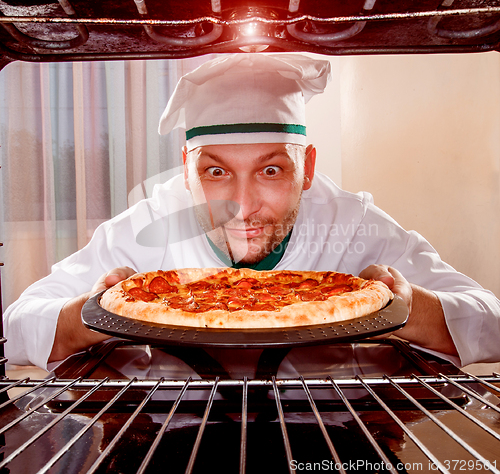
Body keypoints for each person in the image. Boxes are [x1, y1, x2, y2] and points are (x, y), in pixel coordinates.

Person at [4, 53, 500, 371]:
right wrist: (92, 317)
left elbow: (492, 323)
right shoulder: (140, 229)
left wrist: (404, 308)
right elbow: (18, 325)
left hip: (330, 427)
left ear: (306, 167)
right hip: (167, 424)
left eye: (270, 172)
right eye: (215, 173)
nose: (242, 207)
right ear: (185, 170)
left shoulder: (354, 223)